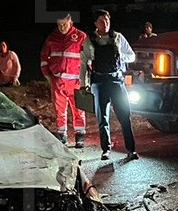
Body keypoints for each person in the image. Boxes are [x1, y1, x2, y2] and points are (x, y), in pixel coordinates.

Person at [81, 9, 138, 161]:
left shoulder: (118, 37)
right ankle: (106, 150)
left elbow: (131, 56)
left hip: (117, 81)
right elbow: (83, 63)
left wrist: (120, 55)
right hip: (99, 82)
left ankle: (131, 150)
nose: (104, 24)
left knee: (125, 115)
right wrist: (83, 84)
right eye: (101, 21)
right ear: (95, 23)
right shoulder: (89, 40)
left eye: (107, 20)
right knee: (102, 119)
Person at [40, 14, 88, 147]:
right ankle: (62, 135)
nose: (62, 27)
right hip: (57, 80)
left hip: (76, 81)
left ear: (71, 22)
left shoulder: (81, 36)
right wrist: (47, 74)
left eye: (64, 24)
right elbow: (44, 57)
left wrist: (87, 77)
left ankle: (80, 136)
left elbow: (89, 58)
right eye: (59, 24)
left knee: (78, 108)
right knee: (59, 109)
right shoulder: (52, 38)